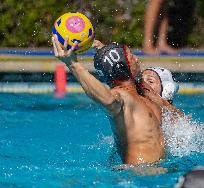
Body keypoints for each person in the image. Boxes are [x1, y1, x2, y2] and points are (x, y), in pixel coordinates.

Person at [52, 35, 165, 165]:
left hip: (159, 171)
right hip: (138, 175)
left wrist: (103, 49)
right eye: (131, 56)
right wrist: (72, 64)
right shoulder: (122, 97)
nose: (137, 58)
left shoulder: (143, 94)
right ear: (121, 66)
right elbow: (107, 100)